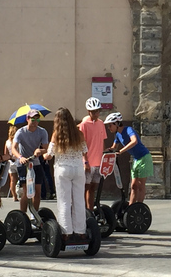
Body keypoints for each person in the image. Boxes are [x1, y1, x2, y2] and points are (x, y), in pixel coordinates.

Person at [43, 108, 89, 240]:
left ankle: (66, 232)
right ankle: (81, 231)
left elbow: (49, 156)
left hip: (63, 169)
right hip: (78, 169)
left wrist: (41, 153)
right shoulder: (79, 134)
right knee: (79, 201)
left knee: (64, 202)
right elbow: (85, 151)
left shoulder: (56, 135)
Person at [105, 112, 152, 205]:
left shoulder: (128, 130)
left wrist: (121, 151)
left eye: (110, 125)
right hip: (136, 159)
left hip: (144, 158)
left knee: (141, 185)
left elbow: (134, 141)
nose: (109, 128)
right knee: (133, 186)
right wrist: (106, 151)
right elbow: (114, 147)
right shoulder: (118, 135)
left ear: (117, 124)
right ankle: (130, 207)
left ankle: (139, 206)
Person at [11, 109, 49, 212]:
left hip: (35, 163)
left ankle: (34, 215)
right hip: (23, 164)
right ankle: (23, 216)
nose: (35, 121)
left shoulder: (42, 132)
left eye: (37, 119)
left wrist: (40, 150)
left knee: (37, 191)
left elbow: (46, 148)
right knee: (26, 191)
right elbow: (13, 148)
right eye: (33, 119)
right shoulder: (21, 132)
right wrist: (20, 157)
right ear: (27, 119)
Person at [80, 97, 107, 210]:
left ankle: (90, 210)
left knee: (93, 188)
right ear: (88, 112)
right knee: (85, 188)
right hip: (88, 162)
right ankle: (83, 211)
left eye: (98, 111)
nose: (96, 113)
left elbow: (102, 141)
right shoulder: (84, 124)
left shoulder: (101, 123)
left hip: (98, 161)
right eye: (94, 111)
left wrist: (104, 158)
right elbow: (82, 144)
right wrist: (85, 161)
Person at [4, 123, 19, 200]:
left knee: (12, 180)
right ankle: (21, 192)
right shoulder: (17, 141)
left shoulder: (7, 142)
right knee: (21, 178)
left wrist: (9, 158)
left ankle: (14, 196)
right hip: (18, 161)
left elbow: (5, 153)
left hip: (10, 162)